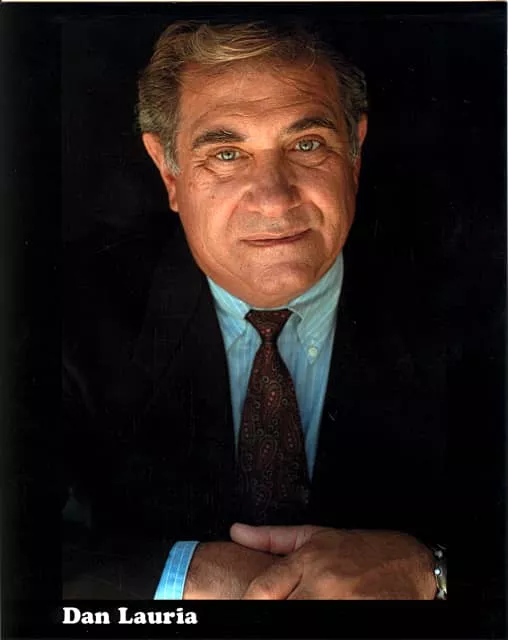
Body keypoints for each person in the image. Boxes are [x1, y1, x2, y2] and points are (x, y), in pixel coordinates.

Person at [63, 19, 447, 600]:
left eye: (307, 144)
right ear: (169, 171)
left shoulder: (475, 301)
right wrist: (190, 576)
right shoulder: (65, 309)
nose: (273, 198)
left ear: (355, 152)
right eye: (226, 153)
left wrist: (433, 573)